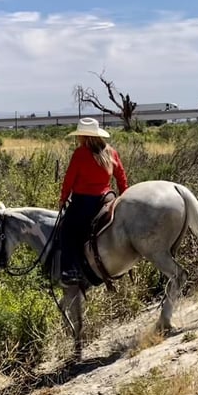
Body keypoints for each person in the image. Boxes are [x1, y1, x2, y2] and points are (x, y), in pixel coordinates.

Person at [59, 117, 129, 285]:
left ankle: (70, 270)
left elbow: (69, 179)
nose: (78, 139)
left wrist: (63, 199)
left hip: (85, 200)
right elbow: (121, 177)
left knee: (66, 230)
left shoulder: (80, 153)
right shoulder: (110, 152)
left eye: (79, 136)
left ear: (84, 136)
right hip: (108, 198)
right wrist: (124, 197)